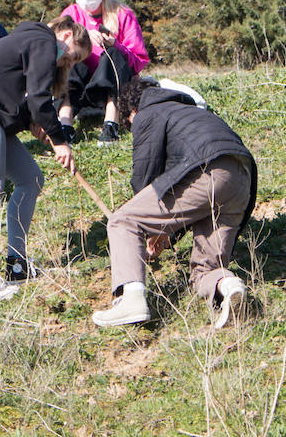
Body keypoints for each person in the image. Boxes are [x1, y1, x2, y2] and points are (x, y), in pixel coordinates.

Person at [92, 77, 257, 330]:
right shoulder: (190, 111)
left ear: (132, 111)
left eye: (128, 123)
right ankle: (228, 286)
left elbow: (145, 180)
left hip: (207, 172)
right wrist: (165, 231)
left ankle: (131, 299)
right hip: (240, 178)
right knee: (205, 269)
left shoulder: (148, 112)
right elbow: (178, 188)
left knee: (123, 219)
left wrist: (150, 228)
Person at [0, 16, 90, 299]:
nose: (69, 64)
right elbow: (37, 97)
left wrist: (33, 122)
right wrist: (60, 140)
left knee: (31, 179)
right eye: (74, 57)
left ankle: (17, 263)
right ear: (68, 35)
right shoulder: (44, 41)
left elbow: (12, 93)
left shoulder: (31, 41)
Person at [58, 0, 151, 145]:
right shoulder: (70, 14)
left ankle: (111, 123)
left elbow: (139, 60)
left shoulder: (123, 14)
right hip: (81, 84)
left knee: (114, 54)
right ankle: (65, 122)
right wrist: (81, 42)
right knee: (69, 57)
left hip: (114, 82)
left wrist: (115, 44)